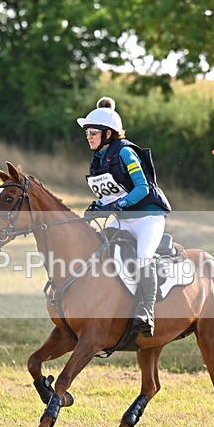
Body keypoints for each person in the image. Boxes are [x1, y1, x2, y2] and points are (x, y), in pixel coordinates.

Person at [77, 97, 172, 337]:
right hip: (123, 218)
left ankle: (146, 311)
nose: (88, 136)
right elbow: (110, 193)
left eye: (93, 132)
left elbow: (142, 188)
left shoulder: (127, 153)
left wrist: (119, 204)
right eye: (87, 132)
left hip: (147, 217)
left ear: (108, 133)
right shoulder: (98, 159)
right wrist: (97, 206)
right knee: (99, 247)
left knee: (143, 257)